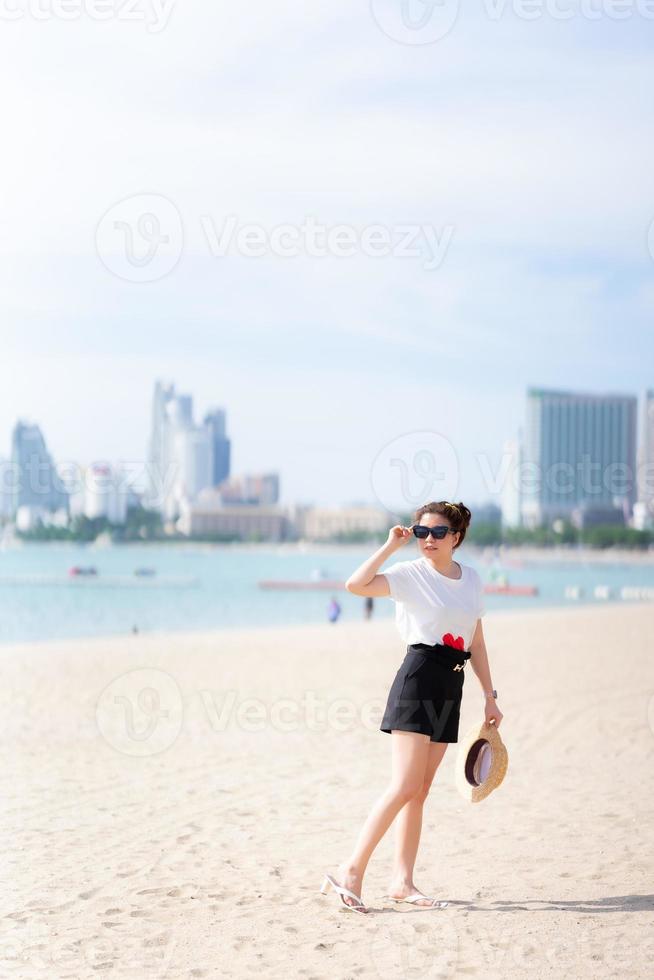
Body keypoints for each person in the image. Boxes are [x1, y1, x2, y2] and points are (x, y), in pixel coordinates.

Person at [319, 500, 503, 915]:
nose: (429, 540)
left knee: (419, 791)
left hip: (451, 683)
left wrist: (490, 695)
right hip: (418, 678)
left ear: (456, 537)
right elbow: (356, 585)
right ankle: (351, 871)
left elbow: (476, 641)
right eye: (422, 533)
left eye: (439, 533)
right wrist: (390, 546)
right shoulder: (409, 574)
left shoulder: (471, 579)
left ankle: (402, 882)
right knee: (403, 785)